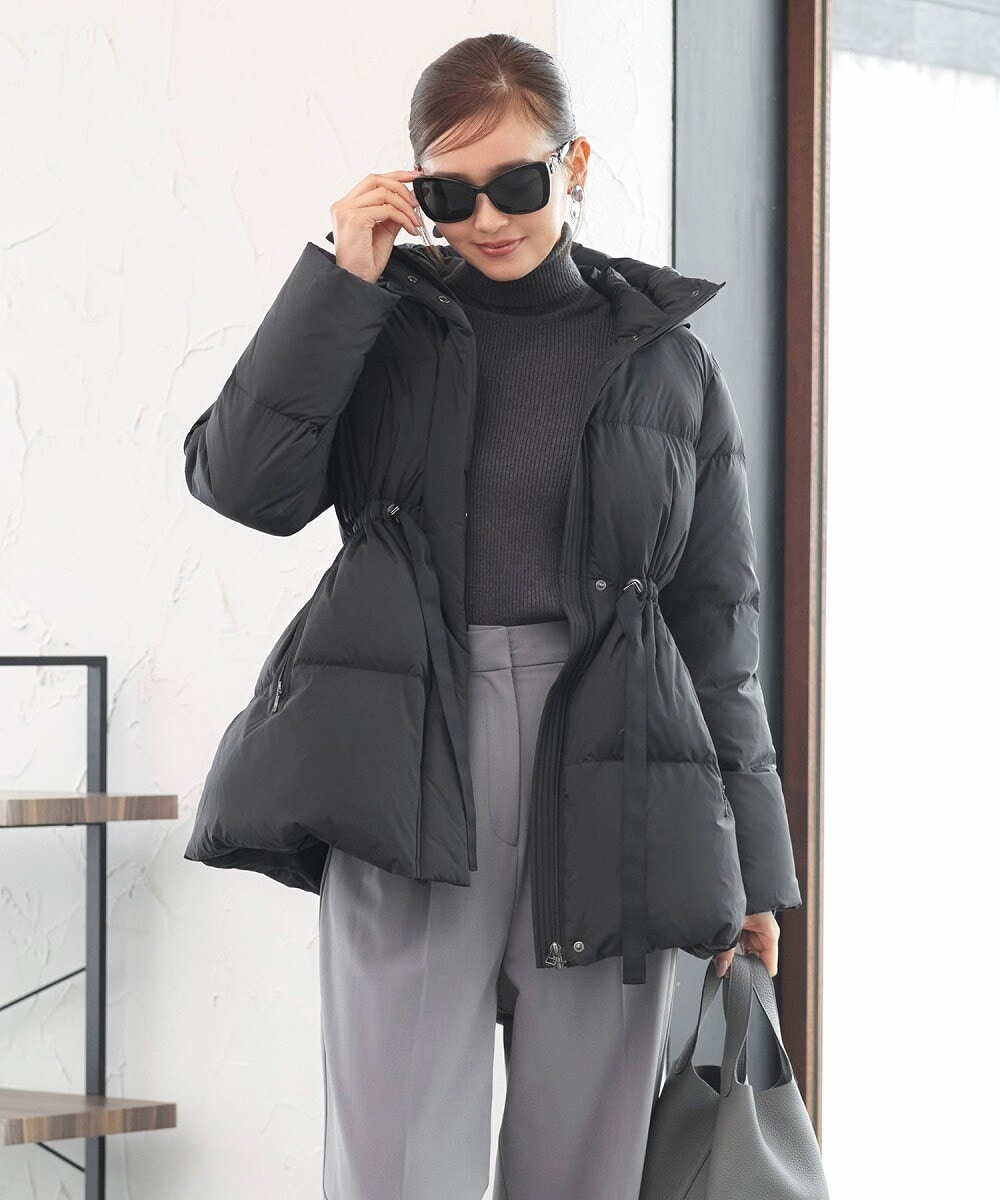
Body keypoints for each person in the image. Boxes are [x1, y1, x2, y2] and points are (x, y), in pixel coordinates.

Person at [182, 31, 802, 1200]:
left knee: (586, 1164)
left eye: (515, 183)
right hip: (409, 753)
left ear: (574, 164)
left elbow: (716, 627)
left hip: (621, 770)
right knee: (394, 1161)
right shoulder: (377, 330)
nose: (487, 219)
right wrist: (339, 278)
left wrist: (753, 869)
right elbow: (242, 483)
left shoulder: (668, 366)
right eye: (448, 195)